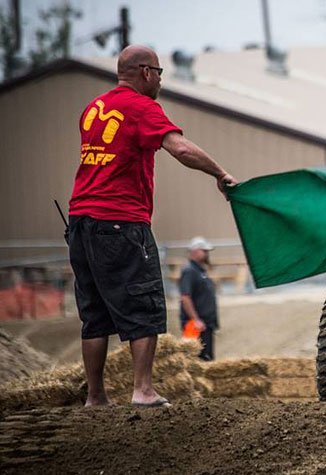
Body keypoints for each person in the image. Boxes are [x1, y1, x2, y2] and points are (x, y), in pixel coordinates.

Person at [67, 45, 238, 407]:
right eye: (159, 72)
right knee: (143, 304)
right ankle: (143, 390)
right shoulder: (142, 107)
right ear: (145, 72)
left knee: (94, 312)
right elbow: (180, 148)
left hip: (81, 221)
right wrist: (220, 173)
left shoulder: (93, 108)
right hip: (120, 221)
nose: (161, 79)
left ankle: (95, 397)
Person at [179, 237, 219, 361]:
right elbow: (185, 297)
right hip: (196, 325)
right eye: (204, 251)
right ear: (195, 251)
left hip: (205, 323)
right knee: (198, 359)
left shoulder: (199, 270)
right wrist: (196, 320)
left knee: (207, 358)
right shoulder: (189, 271)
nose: (207, 254)